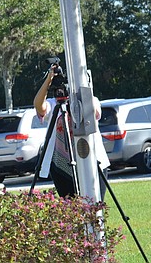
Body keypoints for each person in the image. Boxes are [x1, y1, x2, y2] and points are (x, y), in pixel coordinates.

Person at [33, 62, 110, 199]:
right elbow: (39, 105)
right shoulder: (53, 104)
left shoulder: (90, 100)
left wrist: (82, 83)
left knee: (95, 205)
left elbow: (94, 111)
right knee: (71, 208)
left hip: (92, 160)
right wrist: (49, 80)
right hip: (61, 165)